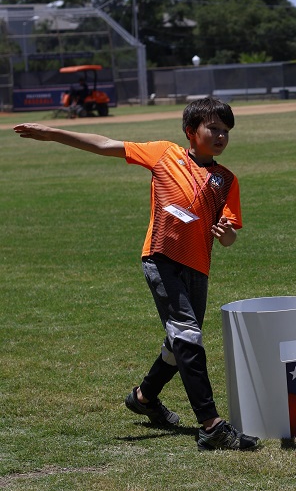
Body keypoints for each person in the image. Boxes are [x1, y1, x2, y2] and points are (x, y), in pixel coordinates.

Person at [13, 97, 259, 451]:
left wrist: (227, 234)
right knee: (188, 335)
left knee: (179, 344)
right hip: (160, 259)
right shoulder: (163, 154)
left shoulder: (225, 180)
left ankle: (144, 397)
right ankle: (211, 425)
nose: (221, 136)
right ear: (190, 132)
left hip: (198, 269)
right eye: (213, 128)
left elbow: (230, 236)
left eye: (226, 131)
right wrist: (52, 133)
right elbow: (105, 144)